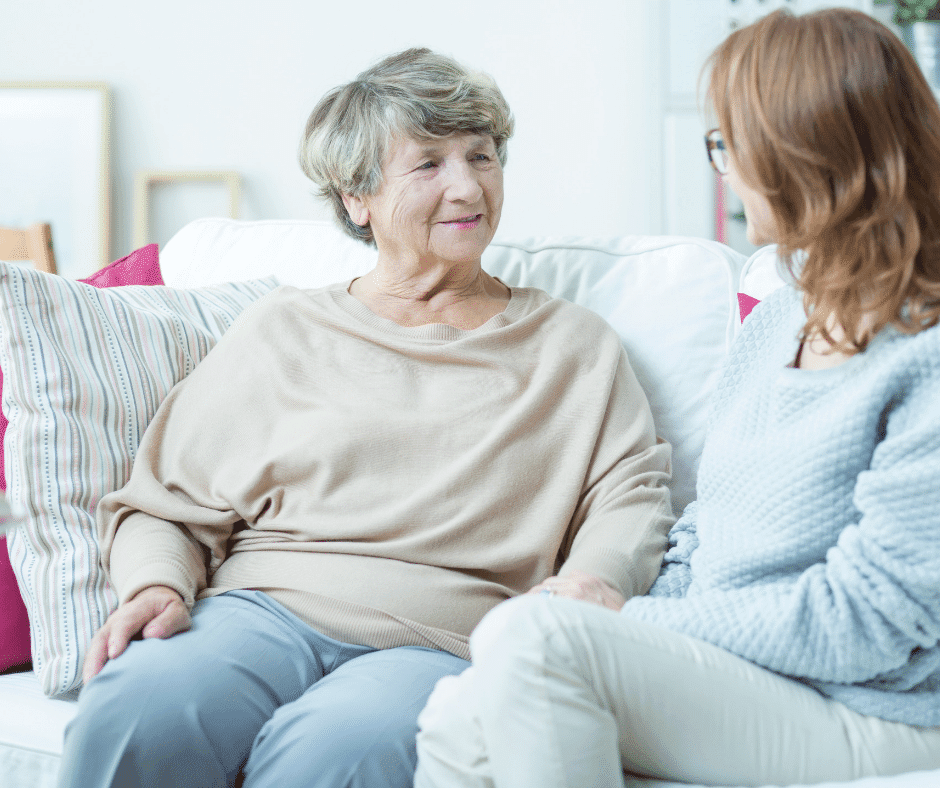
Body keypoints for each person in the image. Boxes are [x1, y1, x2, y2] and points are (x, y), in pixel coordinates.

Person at [57, 48, 674, 788]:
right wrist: (156, 585)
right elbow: (166, 501)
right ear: (358, 197)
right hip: (258, 611)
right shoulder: (283, 328)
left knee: (336, 755)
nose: (468, 184)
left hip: (440, 639)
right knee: (133, 711)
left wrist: (596, 579)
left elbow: (630, 494)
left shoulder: (572, 346)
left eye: (482, 156)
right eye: (429, 165)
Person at [413, 9, 940, 788]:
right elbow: (709, 527)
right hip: (739, 670)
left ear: (806, 150)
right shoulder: (788, 311)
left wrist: (632, 620)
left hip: (870, 707)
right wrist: (636, 606)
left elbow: (866, 622)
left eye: (730, 143)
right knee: (457, 717)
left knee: (538, 642)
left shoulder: (924, 356)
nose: (721, 168)